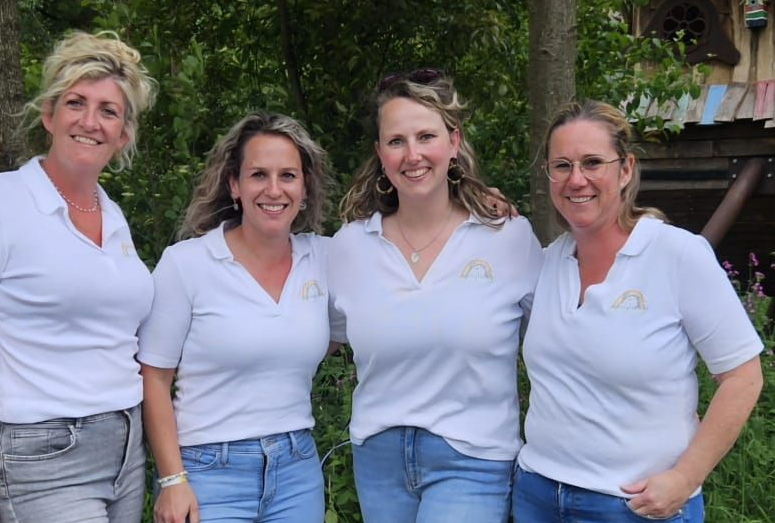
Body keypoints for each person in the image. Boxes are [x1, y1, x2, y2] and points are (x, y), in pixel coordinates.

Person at [0, 31, 157, 523]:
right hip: (41, 454)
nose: (90, 121)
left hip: (125, 449)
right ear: (49, 115)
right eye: (76, 102)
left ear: (123, 133)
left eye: (108, 110)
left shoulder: (113, 215)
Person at [512, 100, 764, 523]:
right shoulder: (548, 262)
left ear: (625, 169)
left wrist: (685, 477)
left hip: (635, 506)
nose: (577, 180)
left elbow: (742, 376)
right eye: (561, 166)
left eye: (593, 162)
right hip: (538, 494)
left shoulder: (677, 254)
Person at [327, 69, 543, 523]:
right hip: (378, 457)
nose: (413, 154)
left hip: (474, 457)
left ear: (454, 142)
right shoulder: (348, 246)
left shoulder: (508, 237)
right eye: (396, 141)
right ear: (379, 153)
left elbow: (557, 339)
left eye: (426, 136)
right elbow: (310, 337)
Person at [138, 112, 330, 523]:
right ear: (234, 185)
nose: (274, 190)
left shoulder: (327, 258)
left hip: (297, 470)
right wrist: (173, 480)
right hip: (208, 473)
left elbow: (402, 235)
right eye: (258, 174)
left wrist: (472, 198)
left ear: (305, 186)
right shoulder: (187, 263)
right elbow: (154, 377)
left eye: (288, 176)